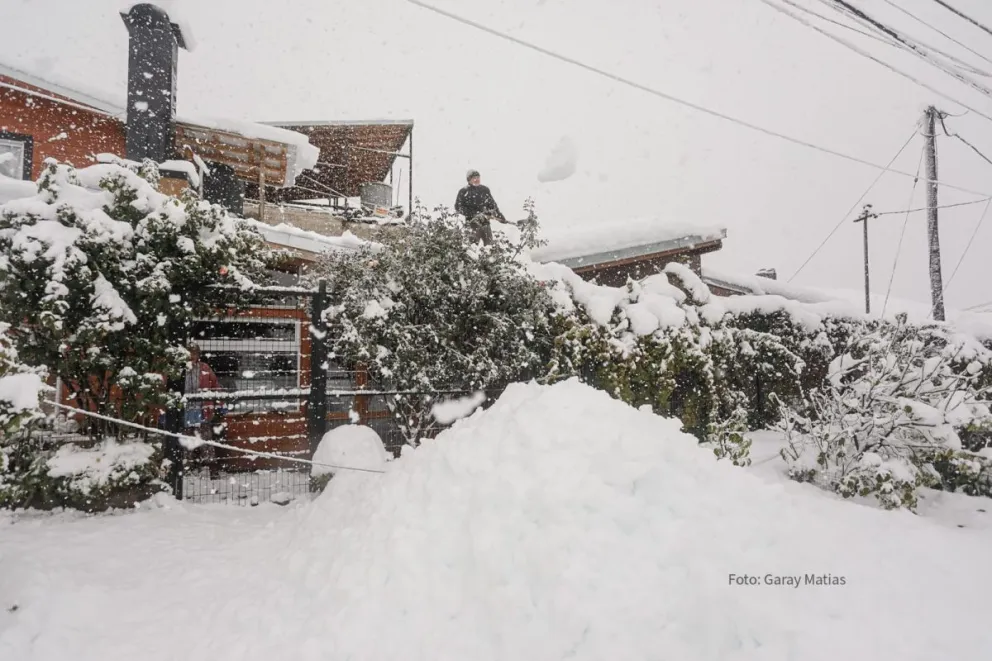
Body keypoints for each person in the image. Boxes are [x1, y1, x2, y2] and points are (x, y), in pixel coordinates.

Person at [455, 169, 507, 245]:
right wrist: (474, 214)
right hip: (472, 224)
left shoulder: (484, 190)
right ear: (469, 180)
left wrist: (500, 216)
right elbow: (458, 207)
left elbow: (492, 205)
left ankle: (490, 256)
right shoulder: (463, 191)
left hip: (485, 223)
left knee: (489, 246)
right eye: (474, 178)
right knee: (472, 248)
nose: (477, 180)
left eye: (478, 177)